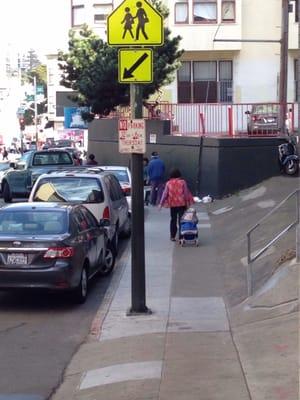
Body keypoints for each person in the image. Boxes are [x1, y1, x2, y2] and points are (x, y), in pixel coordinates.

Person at [159, 168, 194, 241]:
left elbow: (165, 194)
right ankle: (181, 236)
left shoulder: (168, 183)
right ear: (179, 175)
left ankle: (172, 236)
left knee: (173, 220)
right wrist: (188, 202)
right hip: (181, 204)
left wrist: (161, 204)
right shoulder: (182, 182)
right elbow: (186, 193)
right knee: (181, 220)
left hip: (172, 204)